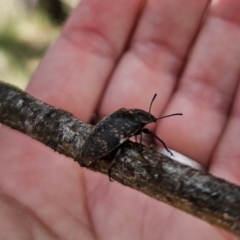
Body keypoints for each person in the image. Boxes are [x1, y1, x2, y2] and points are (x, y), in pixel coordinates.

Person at [1, 0, 240, 239]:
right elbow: (134, 136)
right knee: (125, 146)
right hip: (99, 143)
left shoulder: (129, 115)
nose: (148, 124)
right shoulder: (135, 125)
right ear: (141, 120)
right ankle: (113, 162)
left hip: (96, 137)